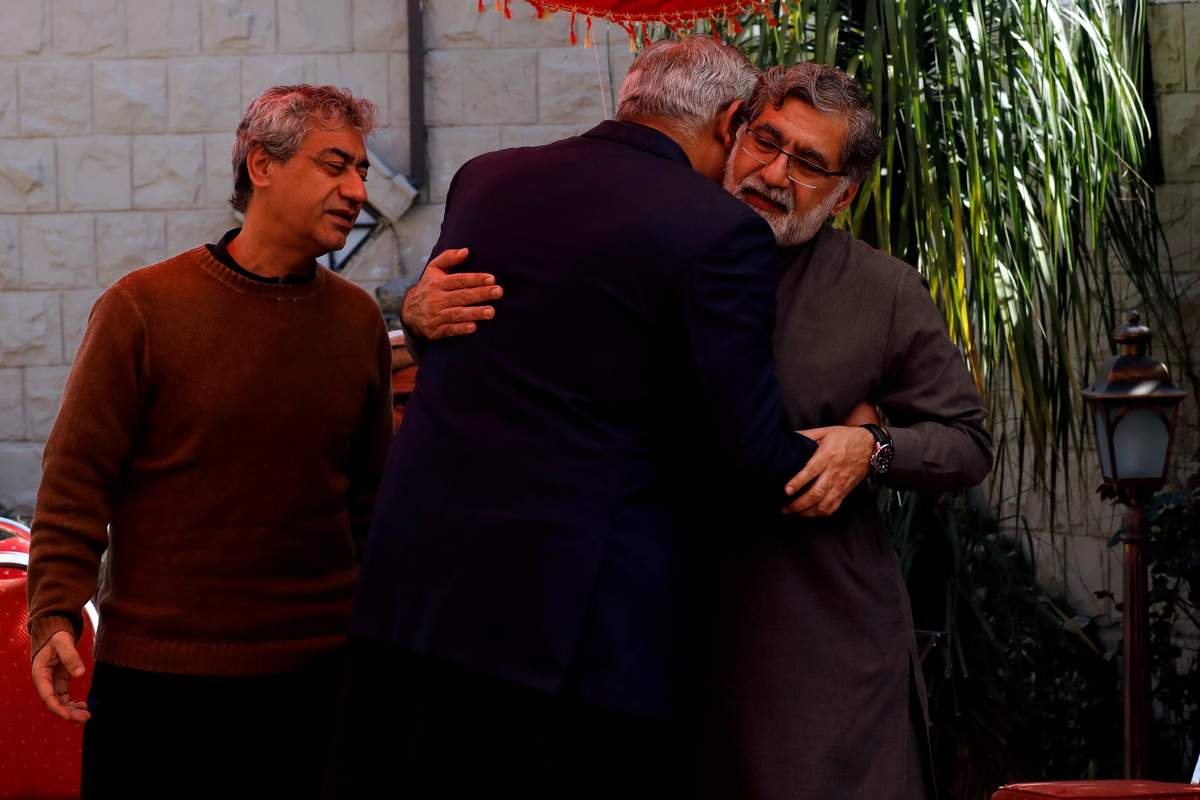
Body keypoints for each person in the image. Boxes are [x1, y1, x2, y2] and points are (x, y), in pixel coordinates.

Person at [403, 62, 993, 800]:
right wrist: (420, 319)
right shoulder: (647, 234)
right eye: (766, 141)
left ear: (844, 195)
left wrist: (869, 449)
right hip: (636, 627)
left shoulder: (880, 290)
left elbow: (967, 441)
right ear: (733, 130)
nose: (773, 173)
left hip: (804, 632)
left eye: (809, 163)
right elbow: (530, 351)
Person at [328, 36, 818, 799]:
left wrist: (418, 322)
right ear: (729, 122)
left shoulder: (487, 178)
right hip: (568, 635)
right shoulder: (720, 231)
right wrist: (865, 444)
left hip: (417, 598)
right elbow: (748, 458)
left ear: (630, 100)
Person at [25, 85, 393, 800]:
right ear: (261, 164)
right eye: (334, 166)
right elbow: (76, 478)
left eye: (361, 172)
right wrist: (54, 610)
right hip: (161, 689)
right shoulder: (142, 307)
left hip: (319, 686)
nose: (356, 191)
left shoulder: (357, 324)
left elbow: (370, 503)